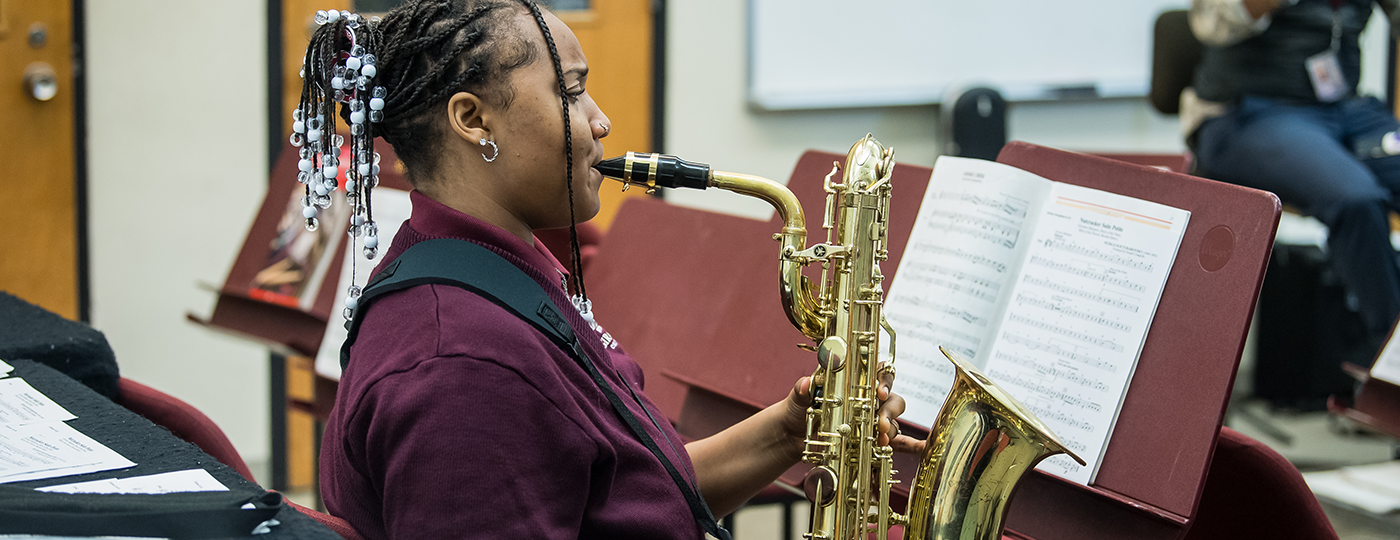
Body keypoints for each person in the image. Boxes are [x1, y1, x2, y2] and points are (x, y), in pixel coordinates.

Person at [291, 2, 924, 539]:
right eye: (569, 90)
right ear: (472, 119)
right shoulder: (459, 364)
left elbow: (629, 492)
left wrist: (785, 433)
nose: (601, 120)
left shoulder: (491, 271)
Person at [1186, 0, 1400, 349]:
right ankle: (1391, 364)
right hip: (1247, 113)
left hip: (1344, 108)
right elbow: (1212, 22)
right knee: (1356, 199)